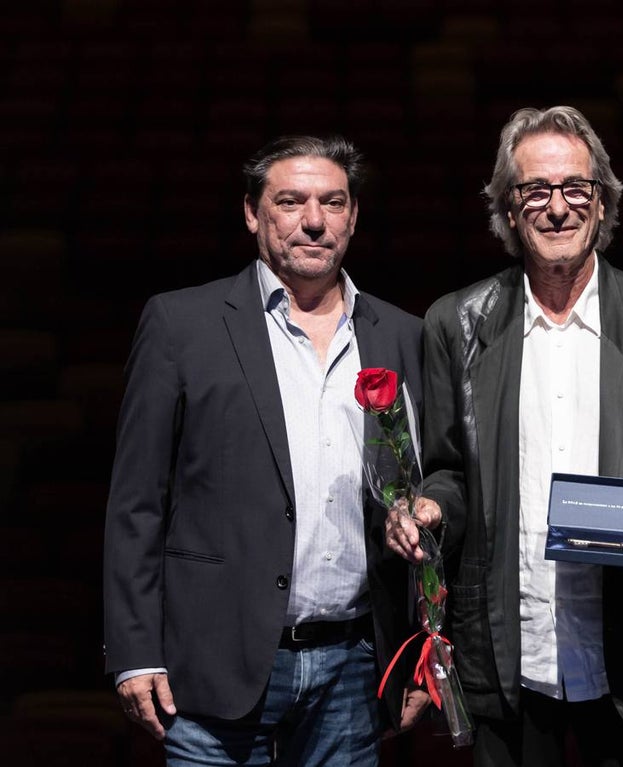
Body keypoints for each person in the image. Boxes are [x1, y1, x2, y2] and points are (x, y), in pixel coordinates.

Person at [384, 105, 623, 767]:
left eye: (577, 188)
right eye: (535, 191)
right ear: (508, 211)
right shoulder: (455, 324)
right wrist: (429, 507)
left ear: (603, 204)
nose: (558, 207)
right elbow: (449, 474)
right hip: (508, 661)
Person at [103, 134, 429, 766]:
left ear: (353, 216)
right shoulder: (181, 324)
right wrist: (134, 650)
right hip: (214, 663)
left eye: (333, 202)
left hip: (353, 667)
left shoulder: (403, 335)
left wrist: (420, 653)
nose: (313, 220)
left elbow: (422, 497)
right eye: (291, 201)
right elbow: (137, 502)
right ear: (252, 213)